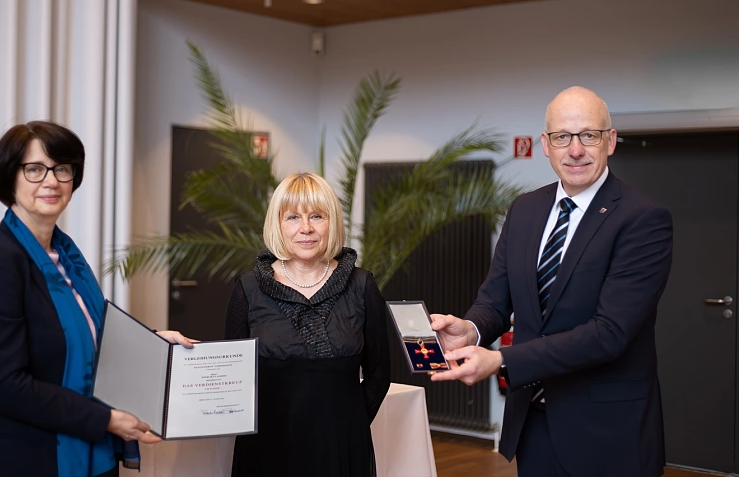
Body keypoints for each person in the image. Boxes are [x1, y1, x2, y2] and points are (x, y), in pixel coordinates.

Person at [430, 87, 673, 477]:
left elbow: (610, 333)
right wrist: (471, 330)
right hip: (534, 423)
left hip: (609, 432)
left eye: (588, 135)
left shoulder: (643, 219)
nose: (574, 150)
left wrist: (502, 360)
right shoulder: (525, 210)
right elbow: (496, 299)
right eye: (562, 137)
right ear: (546, 144)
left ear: (610, 141)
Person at [0, 121, 195, 477]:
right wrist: (107, 419)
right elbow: (4, 386)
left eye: (62, 169)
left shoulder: (67, 258)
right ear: (9, 178)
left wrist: (152, 341)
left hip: (88, 453)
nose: (51, 181)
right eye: (34, 169)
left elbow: (84, 338)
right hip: (23, 458)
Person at [224, 172, 391, 477]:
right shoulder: (248, 289)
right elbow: (232, 376)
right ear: (278, 224)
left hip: (341, 447)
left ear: (332, 222)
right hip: (267, 449)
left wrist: (350, 423)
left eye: (317, 216)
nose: (306, 228)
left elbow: (380, 372)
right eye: (292, 217)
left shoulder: (361, 285)